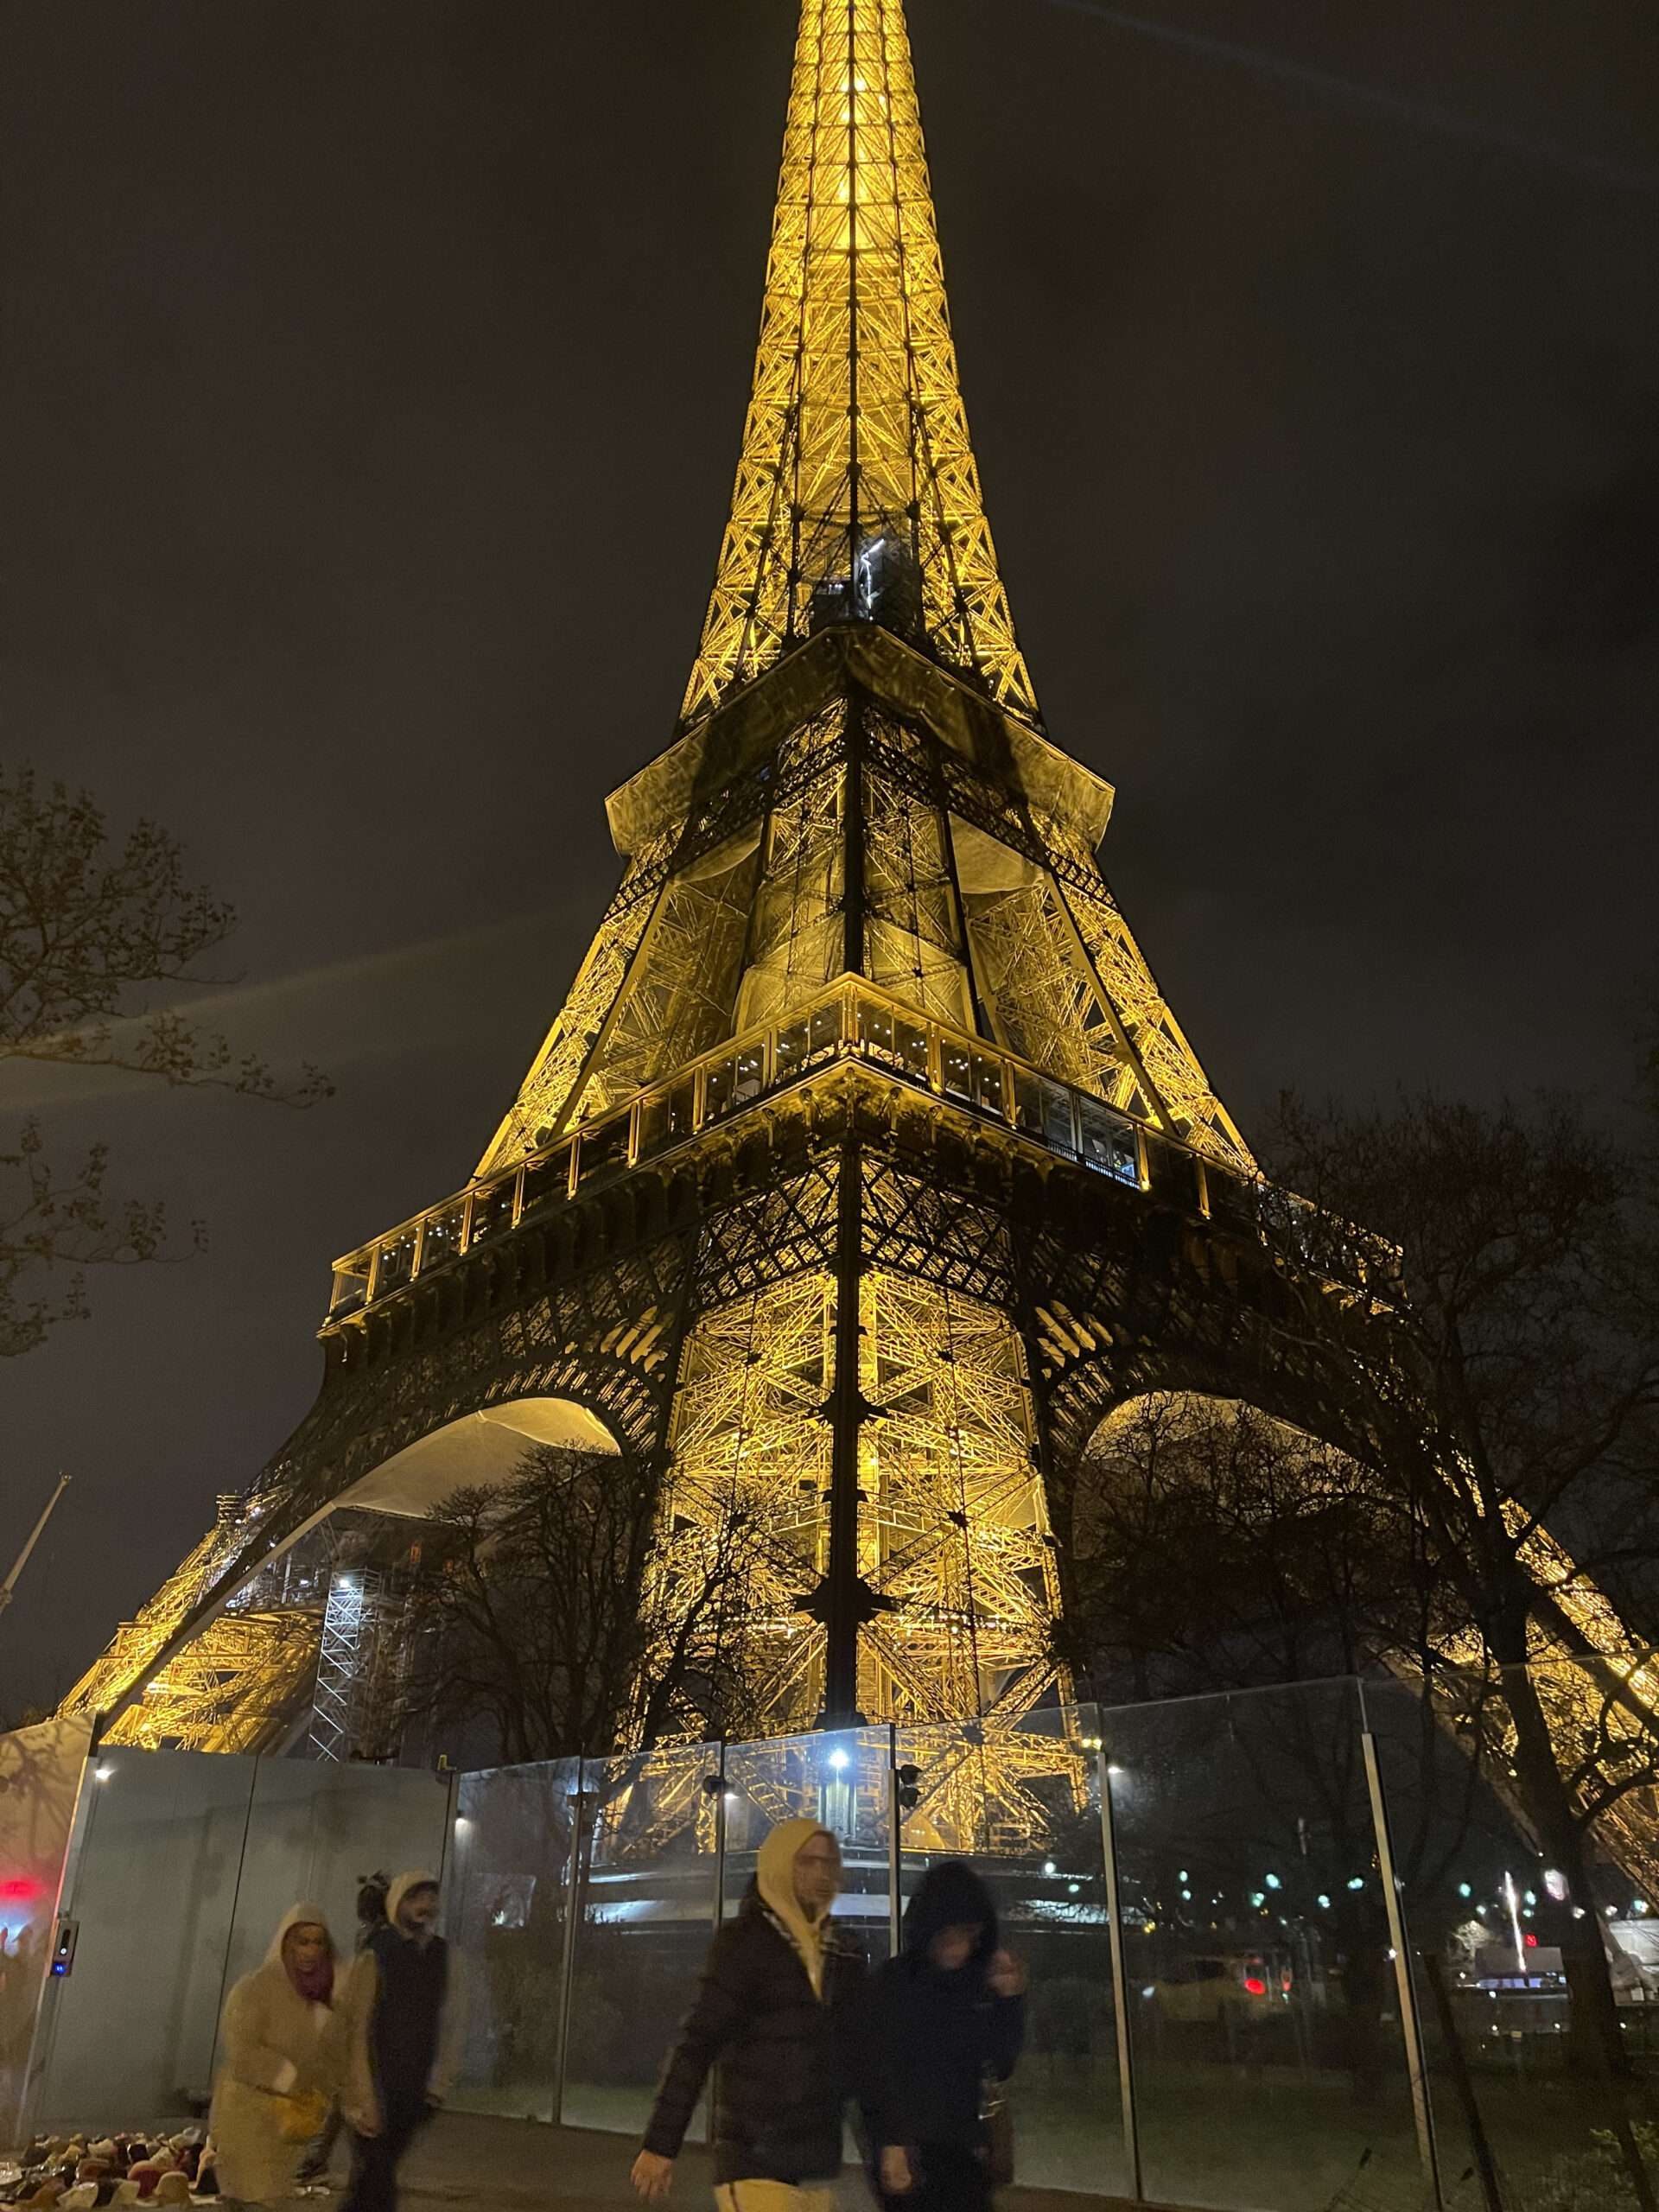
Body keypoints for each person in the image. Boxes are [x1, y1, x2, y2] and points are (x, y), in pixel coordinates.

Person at [632, 1817, 867, 2212]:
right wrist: (660, 2145)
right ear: (778, 1866)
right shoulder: (745, 1945)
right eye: (806, 1862)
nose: (821, 1874)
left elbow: (863, 2057)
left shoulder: (842, 1951)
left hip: (816, 2164)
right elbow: (698, 2044)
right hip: (754, 2159)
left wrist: (892, 2141)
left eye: (829, 1863)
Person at [865, 1862, 1027, 2212]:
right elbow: (876, 2072)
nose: (960, 1947)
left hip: (965, 2151)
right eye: (949, 1936)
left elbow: (1000, 2064)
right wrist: (890, 2142)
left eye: (969, 1934)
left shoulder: (977, 1986)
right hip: (909, 2152)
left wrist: (1009, 2001)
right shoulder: (893, 1984)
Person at [209, 1903, 347, 2211]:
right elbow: (242, 2048)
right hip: (245, 2117)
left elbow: (332, 2055)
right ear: (286, 1942)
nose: (311, 1950)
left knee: (273, 2198)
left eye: (318, 1941)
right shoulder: (255, 1988)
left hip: (290, 2127)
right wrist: (290, 2077)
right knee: (251, 2199)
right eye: (303, 1941)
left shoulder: (325, 1997)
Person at [341, 1871, 465, 2212]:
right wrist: (360, 2092)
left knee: (373, 2178)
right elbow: (357, 2024)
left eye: (431, 1898)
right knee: (376, 2178)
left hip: (413, 2090)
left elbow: (452, 2022)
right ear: (398, 1903)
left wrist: (438, 2084)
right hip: (376, 2083)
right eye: (416, 1898)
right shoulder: (376, 1954)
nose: (426, 1906)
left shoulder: (442, 1956)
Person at [296, 1872, 391, 2194]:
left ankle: (324, 2161)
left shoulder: (375, 1938)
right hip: (364, 2028)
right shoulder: (376, 1937)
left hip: (368, 2028)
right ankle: (324, 2162)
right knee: (346, 2098)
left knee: (351, 2099)